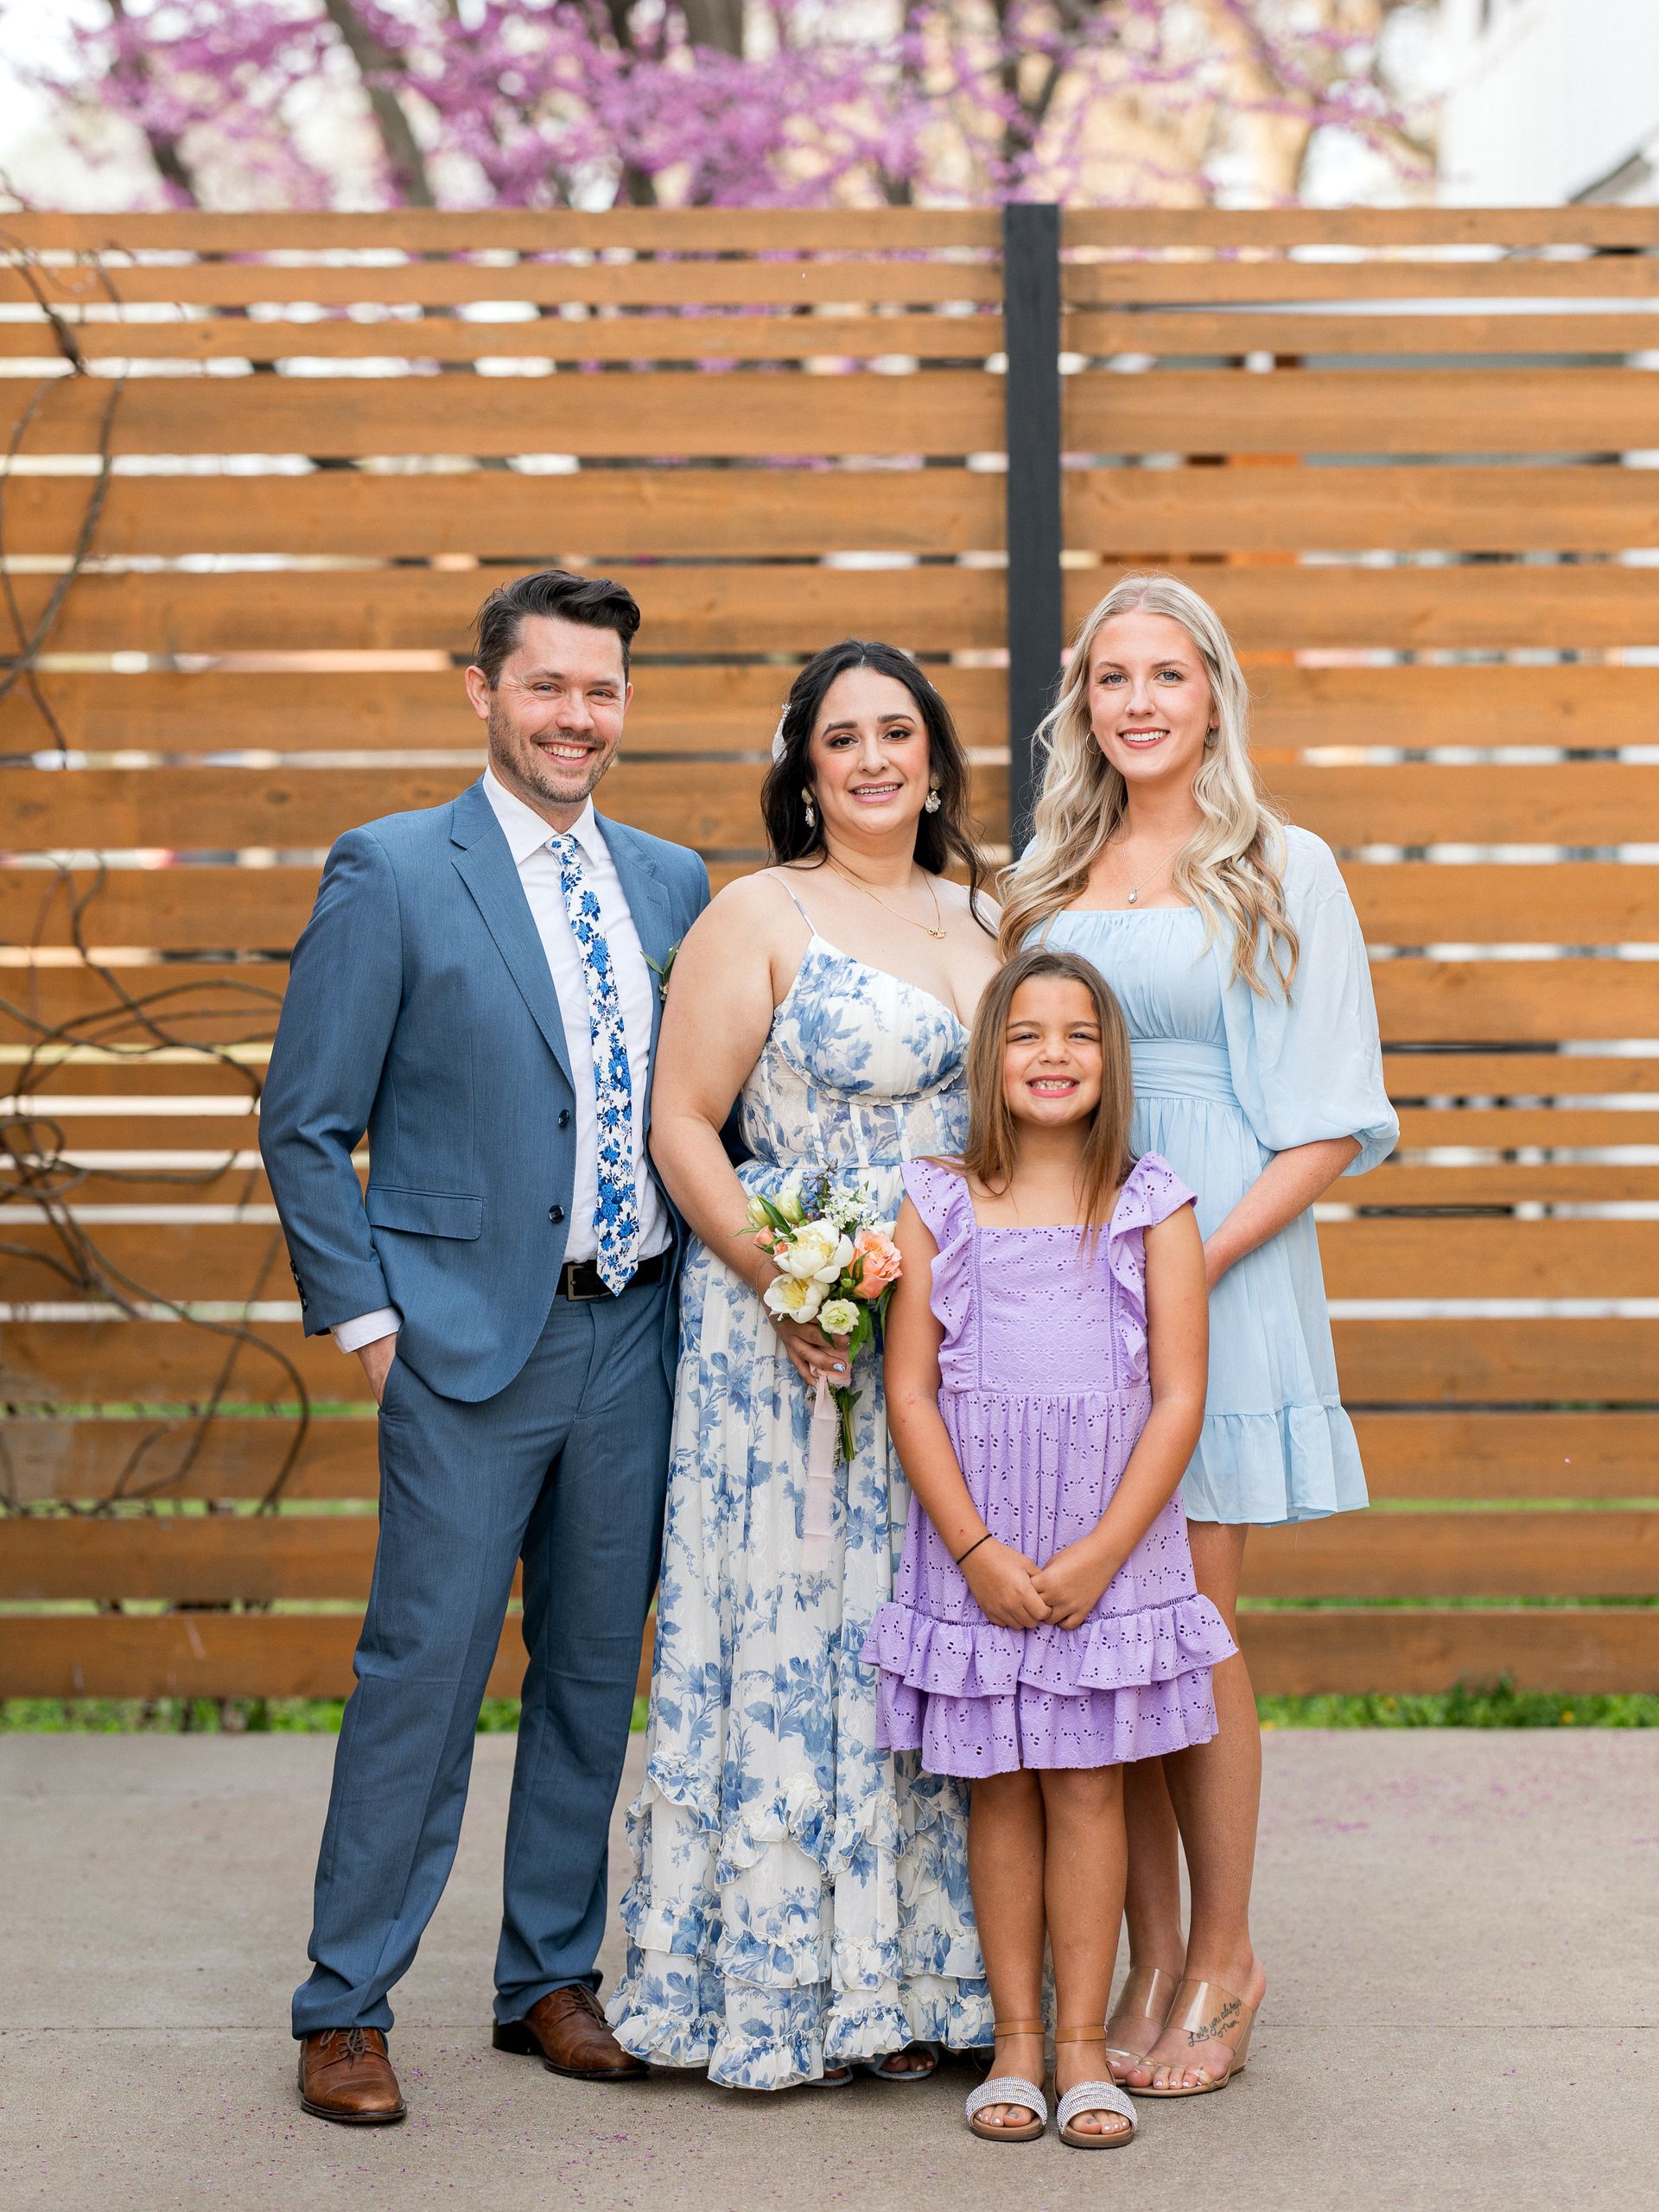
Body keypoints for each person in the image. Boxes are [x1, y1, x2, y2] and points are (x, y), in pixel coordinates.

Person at [260, 569, 711, 2124]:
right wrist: (372, 1323)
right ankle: (345, 2003)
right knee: (424, 1677)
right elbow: (307, 1122)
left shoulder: (671, 884)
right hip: (461, 1353)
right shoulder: (392, 871)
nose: (576, 717)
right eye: (547, 688)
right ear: (484, 693)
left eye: (601, 692)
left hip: (633, 1335)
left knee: (593, 1675)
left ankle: (547, 1980)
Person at [1000, 572, 1398, 2097]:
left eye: (1170, 673)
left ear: (1215, 693)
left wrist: (1175, 1268)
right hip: (1064, 1268)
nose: (1142, 701)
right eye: (1114, 678)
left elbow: (1326, 1128)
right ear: (1083, 703)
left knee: (1192, 1633)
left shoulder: (1283, 865)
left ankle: (1226, 1957)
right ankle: (1149, 1956)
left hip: (1215, 1263)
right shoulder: (1047, 873)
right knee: (1112, 1642)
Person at [607, 640, 1002, 2089]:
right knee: (797, 1635)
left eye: (899, 731)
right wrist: (789, 1277)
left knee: (922, 1632)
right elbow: (685, 1126)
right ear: (806, 768)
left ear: (936, 756)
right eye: (845, 739)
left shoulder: (987, 914)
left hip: (953, 1337)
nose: (876, 758)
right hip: (792, 1341)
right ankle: (777, 1985)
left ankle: (915, 1981)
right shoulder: (756, 914)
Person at [864, 947, 1232, 2147]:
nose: (1055, 1054)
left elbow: (1178, 1398)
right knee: (1000, 1792)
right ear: (991, 1057)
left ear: (1110, 1058)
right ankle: (1015, 2040)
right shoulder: (939, 1202)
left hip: (1102, 1555)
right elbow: (910, 1393)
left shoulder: (1151, 1203)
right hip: (980, 1551)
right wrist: (971, 1551)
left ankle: (1084, 2047)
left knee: (1087, 1787)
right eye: (1026, 1033)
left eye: (1080, 1034)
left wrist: (1100, 1557)